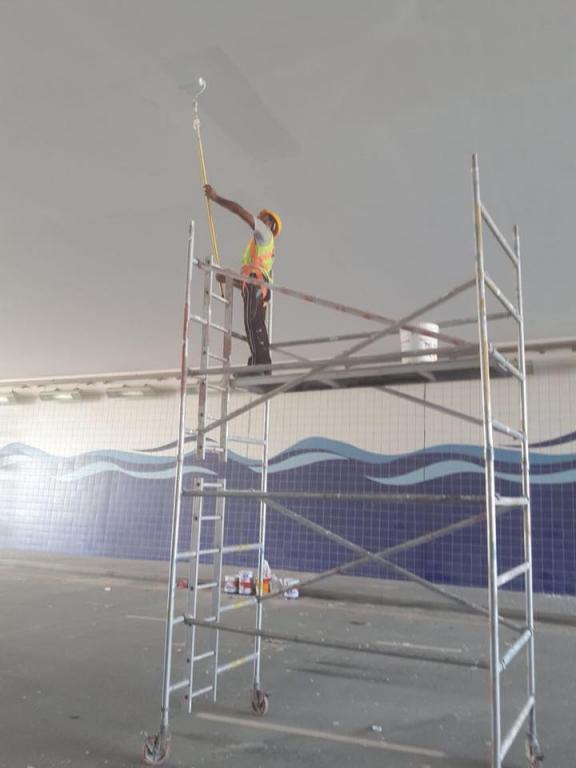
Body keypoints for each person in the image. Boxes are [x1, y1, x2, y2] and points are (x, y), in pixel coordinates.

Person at [204, 184, 282, 370]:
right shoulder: (263, 247)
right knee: (256, 325)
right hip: (257, 286)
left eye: (263, 219)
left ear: (270, 224)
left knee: (252, 323)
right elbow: (252, 277)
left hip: (256, 285)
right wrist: (229, 279)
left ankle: (258, 367)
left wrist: (216, 198)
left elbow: (239, 211)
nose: (259, 220)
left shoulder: (264, 233)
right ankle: (262, 366)